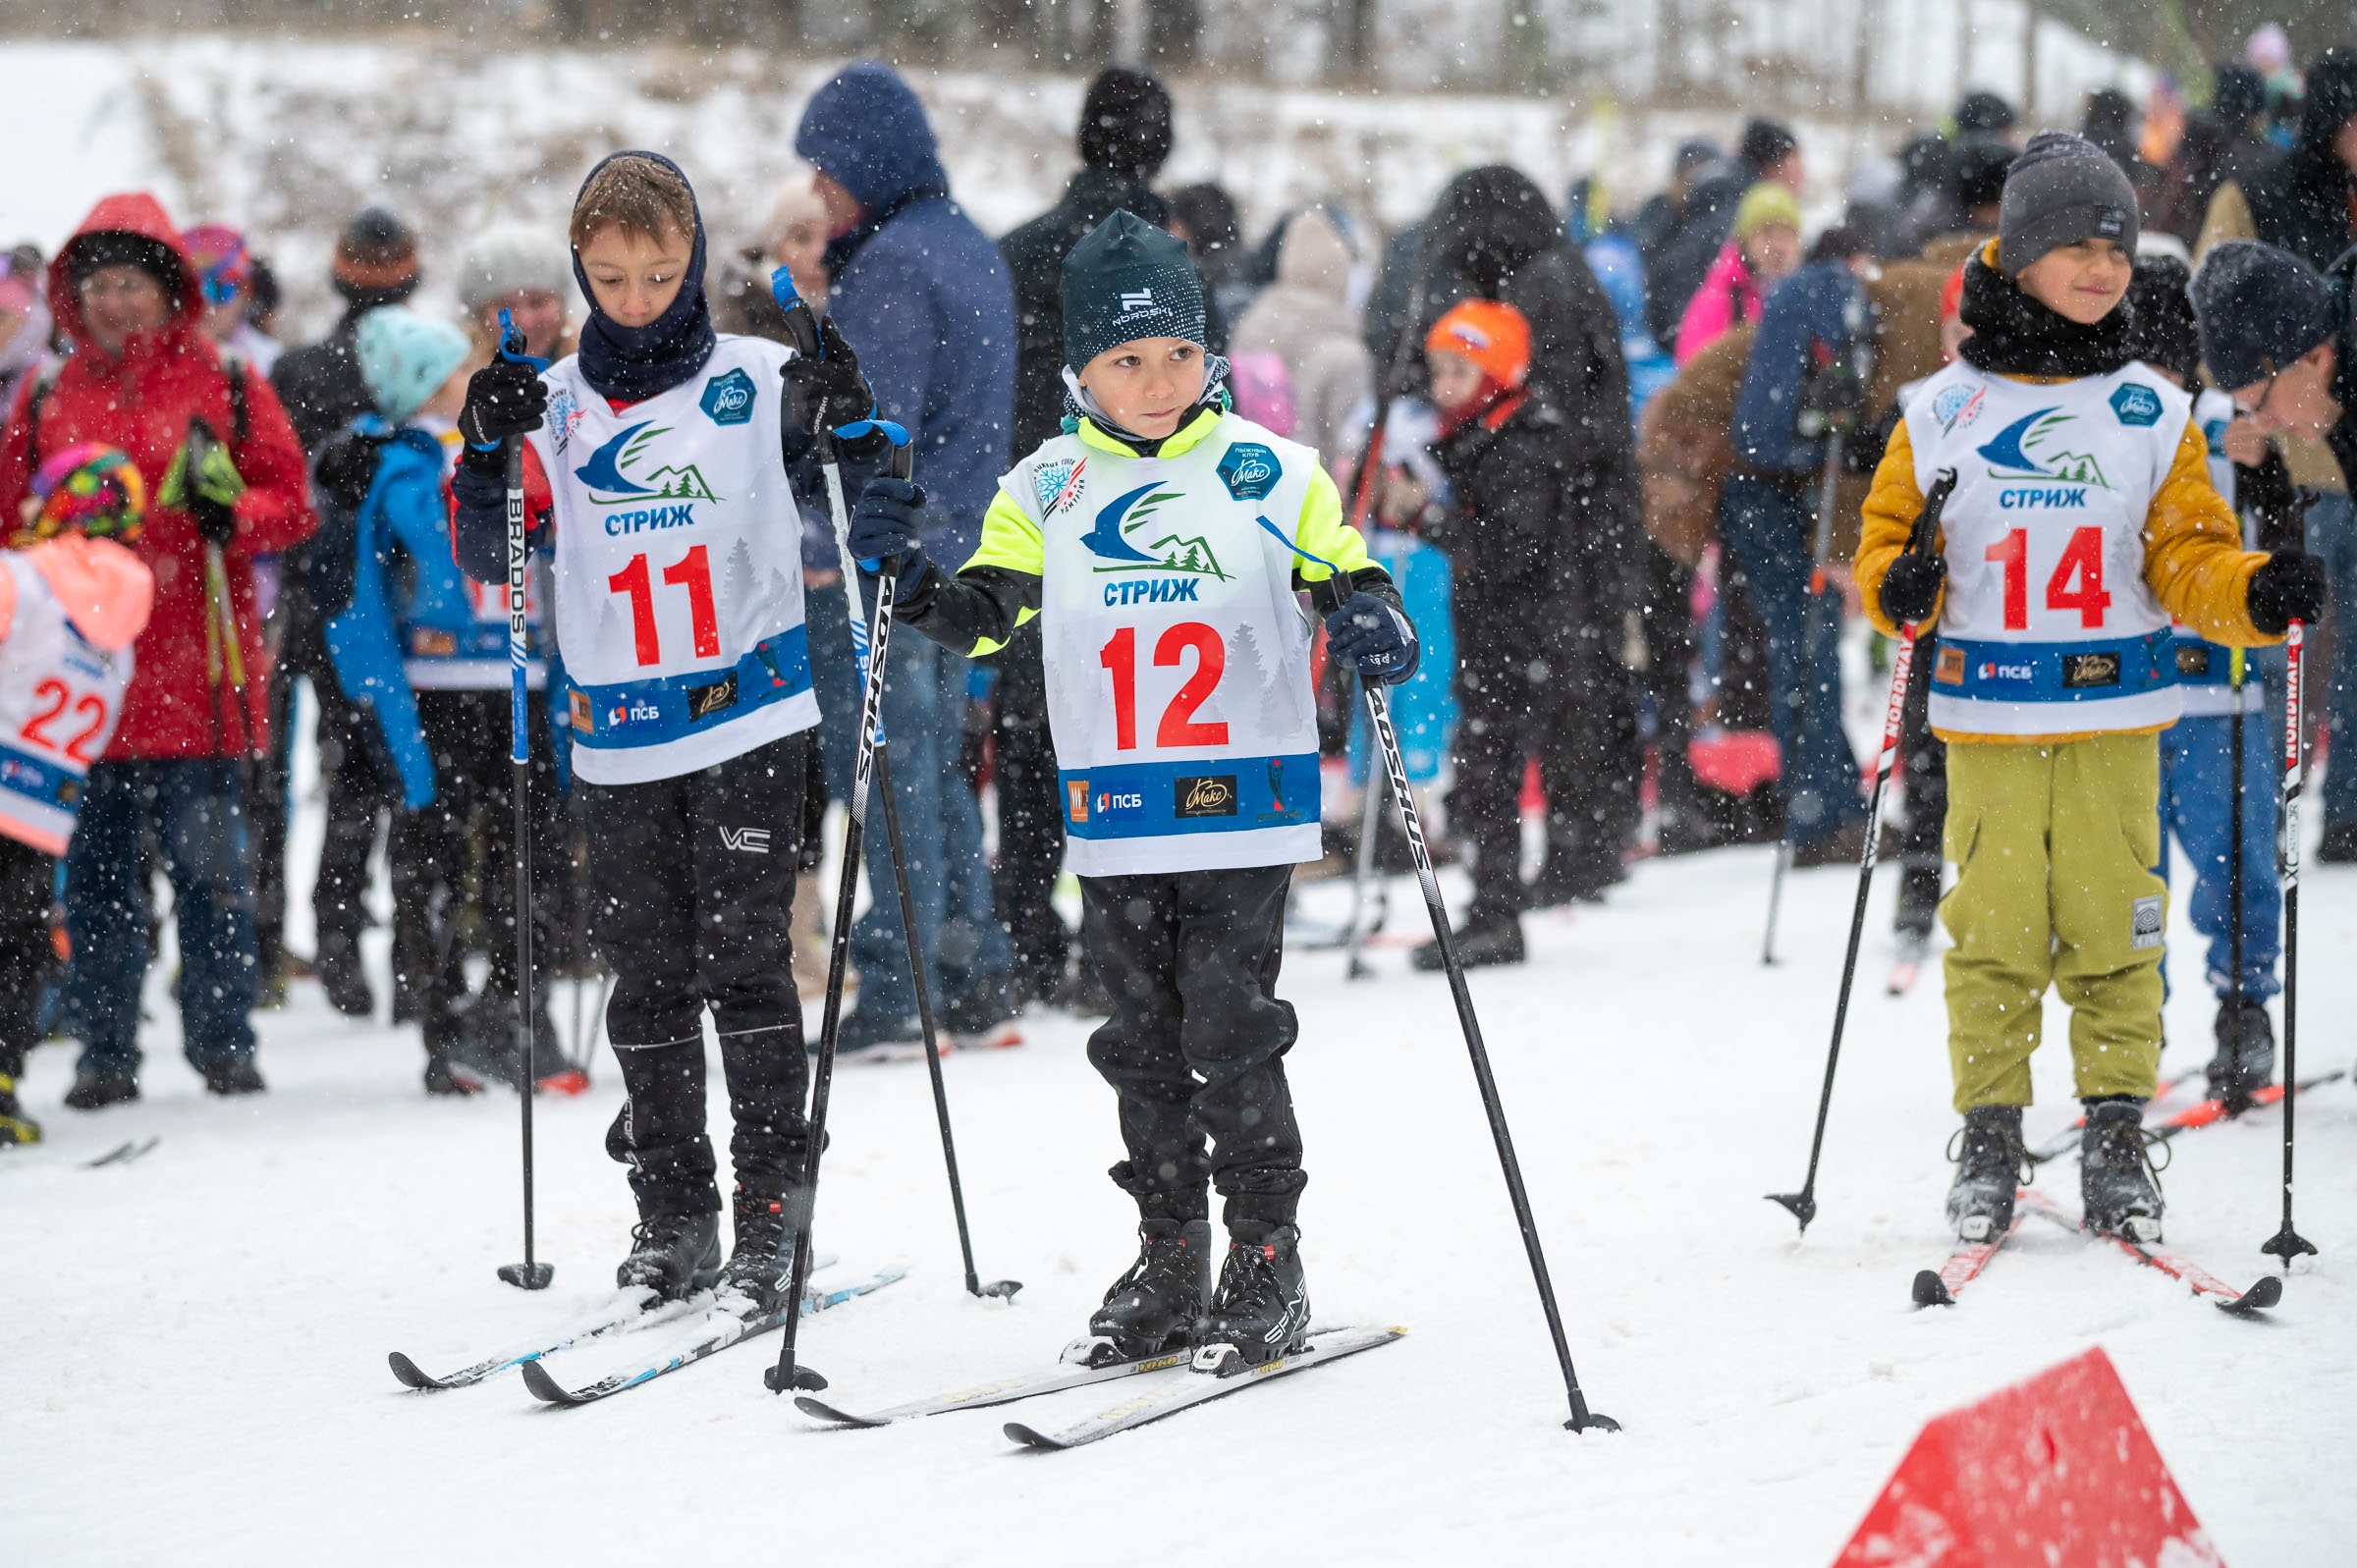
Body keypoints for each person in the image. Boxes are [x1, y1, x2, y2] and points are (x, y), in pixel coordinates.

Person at [851, 209, 1418, 1369]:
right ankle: (1170, 1251)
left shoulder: (1269, 471)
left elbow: (1347, 574)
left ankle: (1265, 1252)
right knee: (1142, 1042)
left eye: (1177, 355)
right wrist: (909, 580)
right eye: (1128, 361)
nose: (1159, 383)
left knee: (1233, 1030)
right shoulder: (1048, 485)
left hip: (1243, 803)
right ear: (1081, 373)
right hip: (1115, 816)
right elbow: (982, 614)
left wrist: (1369, 615)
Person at [1853, 135, 2319, 1245]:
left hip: (2118, 717)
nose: (2106, 265)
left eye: (2116, 244)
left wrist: (2254, 592)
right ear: (2017, 258)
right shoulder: (1939, 413)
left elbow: (2188, 558)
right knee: (1995, 933)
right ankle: (1991, 1129)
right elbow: (1883, 552)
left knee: (2121, 932)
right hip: (1991, 723)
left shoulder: (2152, 411)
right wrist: (1898, 584)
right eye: (2076, 245)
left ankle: (2116, 1125)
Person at [449, 151, 830, 1309]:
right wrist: (482, 458)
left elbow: (849, 505)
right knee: (647, 981)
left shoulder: (759, 377)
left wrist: (844, 427)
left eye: (658, 273)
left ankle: (774, 1211)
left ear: (696, 262)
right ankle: (672, 1212)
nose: (634, 298)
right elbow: (487, 560)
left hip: (750, 714)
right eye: (608, 277)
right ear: (579, 271)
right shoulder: (556, 402)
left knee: (749, 967)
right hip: (616, 734)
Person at [0, 192, 315, 1108]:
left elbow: (288, 500)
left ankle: (223, 1042)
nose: (113, 300)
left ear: (167, 286)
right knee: (94, 888)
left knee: (212, 880)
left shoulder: (224, 382)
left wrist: (231, 515)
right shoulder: (47, 392)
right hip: (81, 693)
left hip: (200, 672)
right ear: (73, 293)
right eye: (95, 282)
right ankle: (106, 1053)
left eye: (131, 281)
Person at [795, 62, 1019, 1051]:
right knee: (933, 765)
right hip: (965, 551)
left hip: (888, 561)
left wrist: (820, 537)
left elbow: (867, 434)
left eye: (825, 169)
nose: (815, 192)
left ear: (868, 163)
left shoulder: (889, 267)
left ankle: (898, 983)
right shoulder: (969, 247)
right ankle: (970, 966)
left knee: (885, 767)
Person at [322, 304, 571, 1097]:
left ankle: (517, 1015)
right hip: (439, 691)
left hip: (521, 683)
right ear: (430, 388)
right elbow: (386, 578)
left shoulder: (522, 447)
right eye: (457, 369)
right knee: (429, 856)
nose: (475, 379)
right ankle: (440, 1023)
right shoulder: (400, 464)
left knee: (520, 859)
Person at [993, 67, 1178, 1011]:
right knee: (1131, 731)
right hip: (1144, 518)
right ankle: (1132, 938)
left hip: (1036, 505)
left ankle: (1028, 931)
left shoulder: (1020, 250)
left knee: (1034, 730)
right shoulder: (1166, 259)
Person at [1418, 167, 1647, 897]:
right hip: (1585, 509)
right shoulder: (1561, 273)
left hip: (1570, 516)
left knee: (1569, 688)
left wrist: (1502, 462)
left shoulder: (1545, 286)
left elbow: (1557, 415)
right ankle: (1587, 842)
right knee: (1582, 683)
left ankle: (1578, 848)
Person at [2125, 255, 2293, 1108]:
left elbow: (2283, 504)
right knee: (2126, 878)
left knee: (2239, 865)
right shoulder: (2108, 424)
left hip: (2221, 693)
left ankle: (2244, 1005)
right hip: (2125, 698)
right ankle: (2127, 1026)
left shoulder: (2230, 424)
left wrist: (2268, 478)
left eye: (2167, 364)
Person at [2195, 50, 2357, 857]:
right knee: (2298, 624)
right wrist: (2236, 406)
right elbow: (2212, 306)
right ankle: (2280, 806)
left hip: (2323, 423)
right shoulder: (2260, 189)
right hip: (2288, 453)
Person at [267, 207, 424, 1016]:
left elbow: (283, 485)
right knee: (399, 769)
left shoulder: (298, 369)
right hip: (398, 600)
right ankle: (405, 948)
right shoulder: (425, 368)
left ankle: (332, 931)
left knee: (349, 768)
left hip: (318, 595)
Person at [1411, 298, 1592, 966]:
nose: (1442, 386)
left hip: (1523, 637)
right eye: (1437, 370)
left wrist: (1430, 521)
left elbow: (1510, 548)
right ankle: (1491, 903)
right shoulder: (1485, 433)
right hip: (1499, 632)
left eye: (1458, 369)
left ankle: (1497, 912)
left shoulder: (1524, 438)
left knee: (1492, 772)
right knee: (1484, 769)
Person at [0, 447, 154, 1145]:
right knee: (19, 942)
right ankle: (4, 1077)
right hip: (40, 808)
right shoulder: (121, 618)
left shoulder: (22, 579)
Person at [1231, 208, 1375, 472]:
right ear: (1341, 274)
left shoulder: (1248, 328)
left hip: (1248, 485)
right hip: (1313, 498)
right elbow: (1350, 452)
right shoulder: (1347, 355)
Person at [1644, 119, 1804, 351]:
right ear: (1774, 166)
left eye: (1788, 236)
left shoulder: (1717, 195)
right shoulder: (1737, 214)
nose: (1802, 175)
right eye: (1795, 162)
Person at [1672, 183, 1801, 365]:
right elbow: (1694, 382)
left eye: (1787, 235)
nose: (1778, 247)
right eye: (1768, 234)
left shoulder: (1805, 299)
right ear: (1745, 240)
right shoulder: (1718, 301)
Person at [455, 222, 575, 363]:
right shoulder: (445, 381)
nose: (526, 321)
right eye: (505, 307)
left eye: (539, 302)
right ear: (480, 316)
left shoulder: (601, 371)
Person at [182, 224, 282, 376]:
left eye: (219, 289)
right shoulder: (154, 359)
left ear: (245, 291)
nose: (205, 305)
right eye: (191, 290)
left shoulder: (271, 365)